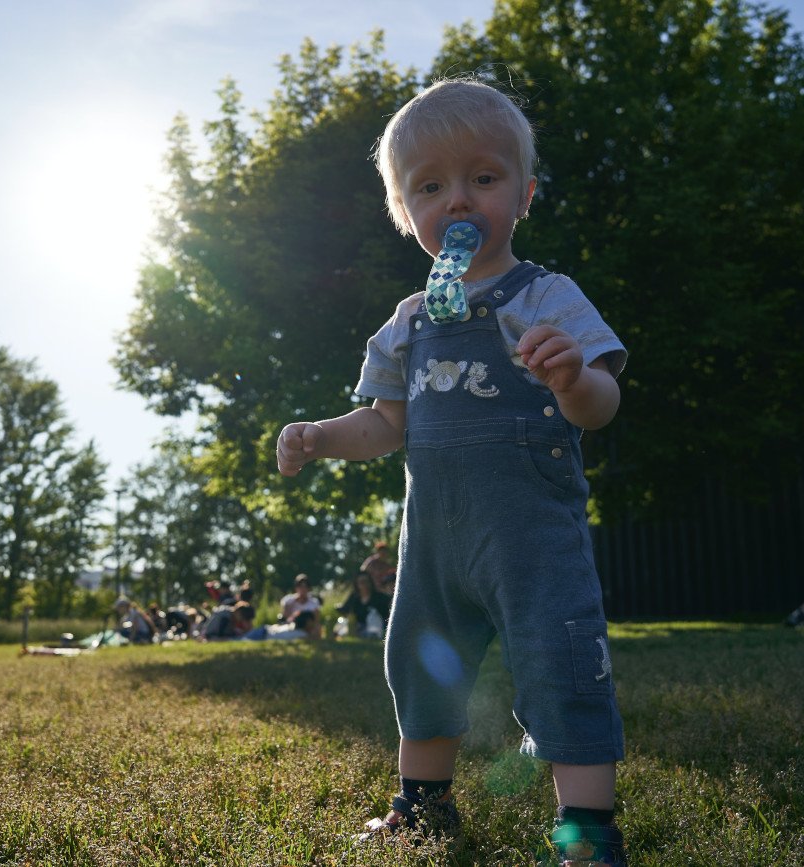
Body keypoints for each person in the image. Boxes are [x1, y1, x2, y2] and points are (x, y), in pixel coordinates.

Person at [276, 78, 628, 864]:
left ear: (525, 193)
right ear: (406, 214)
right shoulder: (405, 323)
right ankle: (423, 805)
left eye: (484, 178)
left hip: (533, 535)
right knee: (420, 666)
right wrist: (319, 437)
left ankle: (586, 830)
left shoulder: (546, 296)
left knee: (561, 664)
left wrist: (572, 376)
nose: (459, 201)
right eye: (431, 186)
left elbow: (601, 404)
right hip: (434, 541)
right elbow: (382, 425)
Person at [336, 571, 393, 638]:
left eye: (367, 581)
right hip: (357, 627)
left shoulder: (380, 597)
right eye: (362, 582)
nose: (365, 585)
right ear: (357, 584)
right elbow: (345, 609)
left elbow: (388, 611)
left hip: (376, 627)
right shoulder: (354, 597)